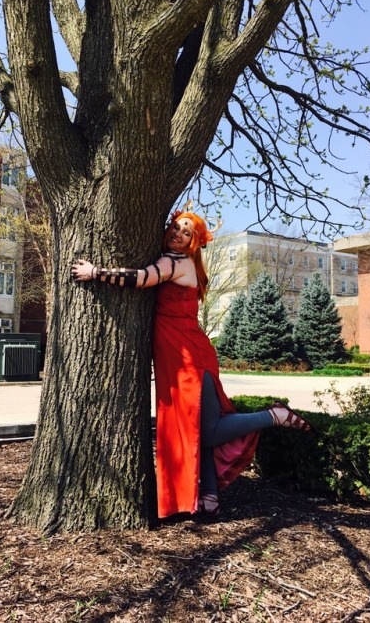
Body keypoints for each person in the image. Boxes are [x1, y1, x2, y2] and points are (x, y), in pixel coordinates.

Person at [71, 208, 312, 518]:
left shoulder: (176, 263)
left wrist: (95, 273)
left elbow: (143, 279)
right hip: (181, 354)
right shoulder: (181, 262)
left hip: (188, 357)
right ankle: (209, 498)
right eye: (176, 227)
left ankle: (273, 416)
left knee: (209, 431)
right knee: (199, 428)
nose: (178, 234)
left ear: (193, 244)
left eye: (187, 233)